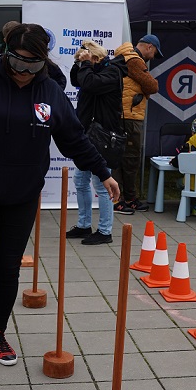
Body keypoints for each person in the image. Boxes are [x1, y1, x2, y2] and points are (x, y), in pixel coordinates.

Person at [0, 23, 120, 365]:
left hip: (22, 194)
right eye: (17, 63)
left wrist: (102, 171)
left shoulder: (50, 93)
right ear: (7, 55)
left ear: (44, 61)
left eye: (32, 65)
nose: (23, 72)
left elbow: (74, 139)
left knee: (8, 269)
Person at [67, 40, 123, 244]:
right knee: (80, 182)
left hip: (103, 136)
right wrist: (78, 63)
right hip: (87, 135)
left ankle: (105, 231)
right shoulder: (92, 71)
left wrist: (87, 65)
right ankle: (83, 225)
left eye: (88, 61)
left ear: (97, 59)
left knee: (102, 185)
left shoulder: (112, 73)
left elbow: (89, 83)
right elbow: (76, 81)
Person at [110, 34, 162, 214]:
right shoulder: (134, 60)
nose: (153, 57)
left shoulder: (125, 56)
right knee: (130, 159)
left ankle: (122, 198)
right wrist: (147, 90)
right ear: (149, 46)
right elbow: (153, 87)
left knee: (119, 158)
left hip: (122, 114)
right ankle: (124, 200)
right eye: (155, 52)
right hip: (130, 117)